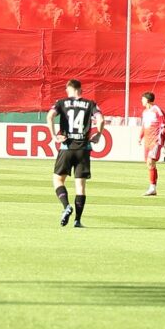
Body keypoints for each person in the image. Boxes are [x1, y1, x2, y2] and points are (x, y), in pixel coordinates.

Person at [48, 79, 101, 228]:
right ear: (80, 90)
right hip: (83, 149)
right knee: (80, 186)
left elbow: (50, 116)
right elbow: (101, 119)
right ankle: (77, 221)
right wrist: (99, 133)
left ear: (68, 90)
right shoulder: (90, 104)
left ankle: (66, 206)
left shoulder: (61, 102)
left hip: (66, 147)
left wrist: (53, 135)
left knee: (58, 180)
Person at [139, 91, 165, 196]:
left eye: (142, 99)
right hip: (147, 140)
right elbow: (144, 126)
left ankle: (152, 187)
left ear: (147, 100)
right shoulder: (145, 112)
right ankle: (153, 188)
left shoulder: (157, 110)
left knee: (150, 161)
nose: (141, 101)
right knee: (149, 164)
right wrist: (140, 137)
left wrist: (162, 140)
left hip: (155, 140)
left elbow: (164, 125)